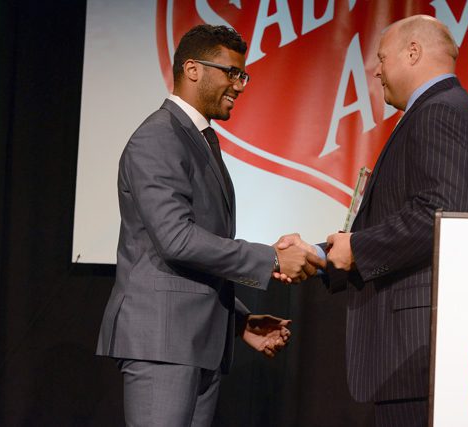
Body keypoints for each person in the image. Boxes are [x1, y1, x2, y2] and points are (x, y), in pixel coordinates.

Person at [279, 15, 468, 426]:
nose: (377, 69)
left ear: (413, 52)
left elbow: (437, 215)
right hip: (422, 350)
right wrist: (321, 254)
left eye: (382, 57)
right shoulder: (448, 110)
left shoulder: (441, 113)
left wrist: (358, 248)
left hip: (418, 348)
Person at [96, 25, 322, 426]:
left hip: (195, 343)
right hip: (162, 344)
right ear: (193, 69)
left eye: (242, 75)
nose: (239, 85)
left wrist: (238, 323)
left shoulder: (195, 138)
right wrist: (271, 257)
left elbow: (190, 256)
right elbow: (176, 241)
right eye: (230, 72)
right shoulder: (158, 137)